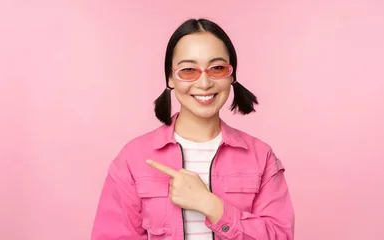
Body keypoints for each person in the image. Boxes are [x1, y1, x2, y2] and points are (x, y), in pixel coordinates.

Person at [91, 18, 294, 240]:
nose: (204, 83)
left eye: (217, 68)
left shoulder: (261, 157)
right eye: (188, 70)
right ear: (170, 77)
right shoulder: (134, 158)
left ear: (231, 75)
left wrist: (210, 205)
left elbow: (280, 236)